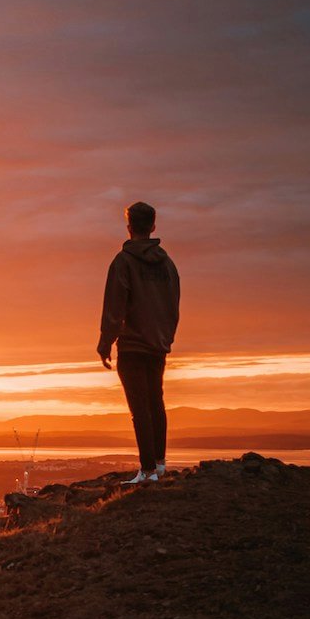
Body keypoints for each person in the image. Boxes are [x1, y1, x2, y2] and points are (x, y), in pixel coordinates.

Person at [97, 201, 180, 484]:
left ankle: (146, 471)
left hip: (133, 344)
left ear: (129, 226)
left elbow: (114, 306)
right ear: (153, 226)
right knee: (156, 401)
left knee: (140, 408)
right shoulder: (167, 264)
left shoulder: (123, 262)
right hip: (158, 344)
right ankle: (158, 465)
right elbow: (173, 303)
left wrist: (105, 342)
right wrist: (165, 336)